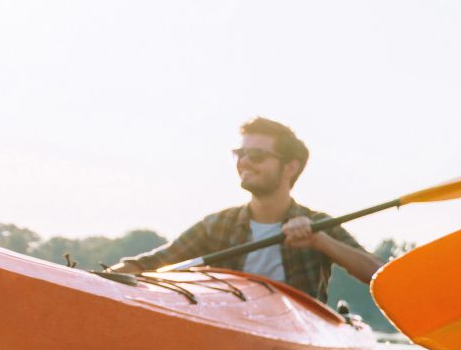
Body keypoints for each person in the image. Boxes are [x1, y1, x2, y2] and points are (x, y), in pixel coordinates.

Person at [114, 117, 382, 301]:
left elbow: (378, 275)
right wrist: (96, 278)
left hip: (297, 334)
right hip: (229, 325)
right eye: (239, 154)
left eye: (256, 156)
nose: (244, 162)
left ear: (290, 167)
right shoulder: (217, 225)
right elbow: (152, 264)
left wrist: (321, 241)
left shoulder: (317, 223)